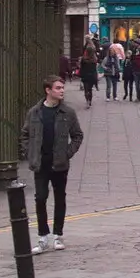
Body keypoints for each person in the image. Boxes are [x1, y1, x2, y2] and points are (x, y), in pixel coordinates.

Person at [20, 75, 84, 252]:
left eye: (62, 87)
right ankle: (42, 236)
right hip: (41, 163)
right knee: (40, 198)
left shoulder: (67, 113)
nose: (62, 90)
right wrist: (29, 152)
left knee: (59, 198)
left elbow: (78, 135)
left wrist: (67, 153)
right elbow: (24, 134)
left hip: (59, 163)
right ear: (48, 90)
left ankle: (58, 235)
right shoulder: (35, 112)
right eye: (58, 88)